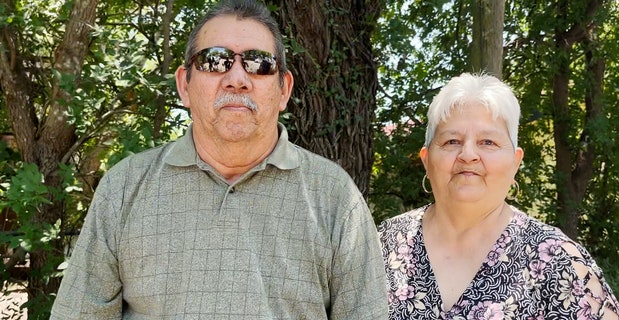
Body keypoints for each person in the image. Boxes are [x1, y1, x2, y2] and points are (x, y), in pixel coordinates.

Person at [50, 0, 388, 318]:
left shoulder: (335, 196)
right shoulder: (124, 187)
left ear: (283, 89)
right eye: (215, 60)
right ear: (184, 85)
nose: (237, 79)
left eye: (258, 63)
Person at [378, 73, 619, 319]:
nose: (468, 154)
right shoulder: (383, 244)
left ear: (515, 162)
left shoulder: (556, 259)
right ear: (426, 160)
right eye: (452, 141)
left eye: (488, 142)